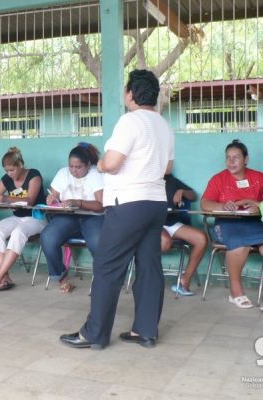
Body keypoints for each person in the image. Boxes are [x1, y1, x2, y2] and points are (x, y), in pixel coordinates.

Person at [60, 69, 174, 349]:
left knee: (108, 267)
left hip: (128, 204)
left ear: (131, 94)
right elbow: (167, 168)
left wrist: (99, 164)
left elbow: (111, 163)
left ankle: (93, 334)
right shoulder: (163, 125)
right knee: (149, 266)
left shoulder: (130, 121)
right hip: (156, 203)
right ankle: (145, 331)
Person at [200, 139, 263, 309]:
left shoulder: (258, 177)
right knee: (240, 245)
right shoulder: (219, 179)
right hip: (227, 224)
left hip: (254, 223)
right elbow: (205, 203)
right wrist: (222, 206)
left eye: (236, 157)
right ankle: (235, 292)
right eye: (228, 158)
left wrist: (256, 205)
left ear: (246, 159)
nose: (231, 161)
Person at [39, 143, 104, 293]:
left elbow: (101, 205)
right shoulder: (63, 173)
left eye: (78, 167)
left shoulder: (96, 174)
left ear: (88, 165)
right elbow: (53, 194)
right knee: (48, 237)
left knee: (97, 242)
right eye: (71, 167)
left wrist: (78, 202)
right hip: (69, 217)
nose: (74, 171)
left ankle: (103, 279)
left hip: (94, 217)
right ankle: (60, 276)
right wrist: (51, 199)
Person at [0, 147, 46, 292]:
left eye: (12, 170)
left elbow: (30, 201)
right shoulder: (7, 179)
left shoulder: (34, 175)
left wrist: (6, 198)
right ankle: (5, 278)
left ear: (20, 165)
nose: (9, 174)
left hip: (36, 218)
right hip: (18, 218)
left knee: (18, 232)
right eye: (6, 171)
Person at [161, 174, 207, 296]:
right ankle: (148, 279)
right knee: (164, 242)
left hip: (171, 222)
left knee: (201, 239)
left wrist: (182, 191)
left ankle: (185, 280)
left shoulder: (171, 180)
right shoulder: (144, 178)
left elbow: (193, 195)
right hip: (153, 223)